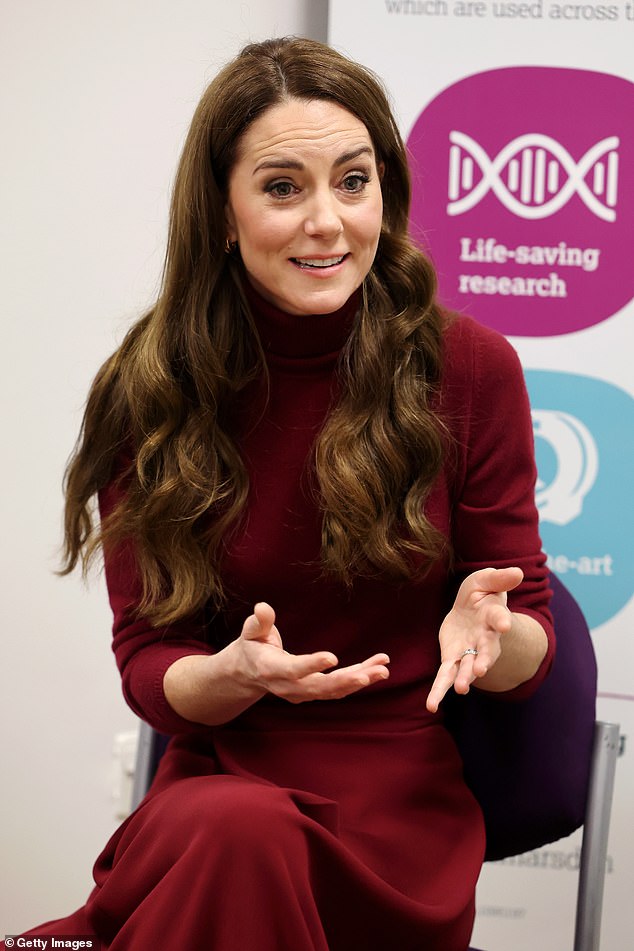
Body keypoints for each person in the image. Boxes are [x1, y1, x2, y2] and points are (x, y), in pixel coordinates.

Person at [10, 36, 554, 951]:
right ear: (222, 211)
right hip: (223, 784)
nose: (327, 223)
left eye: (352, 181)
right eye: (281, 187)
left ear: (387, 192)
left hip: (400, 821)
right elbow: (150, 658)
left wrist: (491, 634)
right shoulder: (149, 390)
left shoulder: (469, 368)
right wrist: (227, 676)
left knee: (232, 844)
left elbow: (528, 641)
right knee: (235, 831)